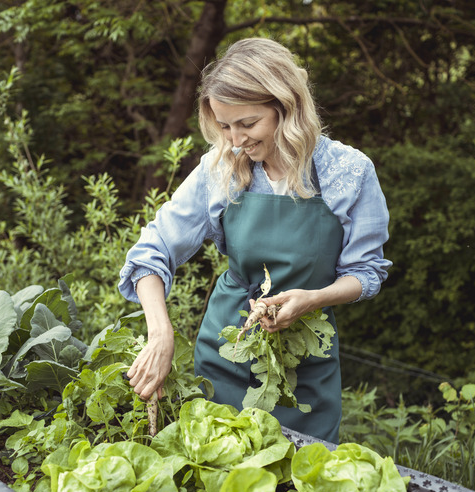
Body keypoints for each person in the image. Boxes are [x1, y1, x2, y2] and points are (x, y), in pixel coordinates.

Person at [118, 37, 391, 443]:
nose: (234, 140)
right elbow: (152, 251)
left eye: (247, 124)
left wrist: (313, 298)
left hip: (306, 364)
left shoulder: (347, 172)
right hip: (224, 355)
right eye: (224, 126)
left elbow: (365, 272)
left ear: (287, 108)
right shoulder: (220, 168)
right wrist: (160, 334)